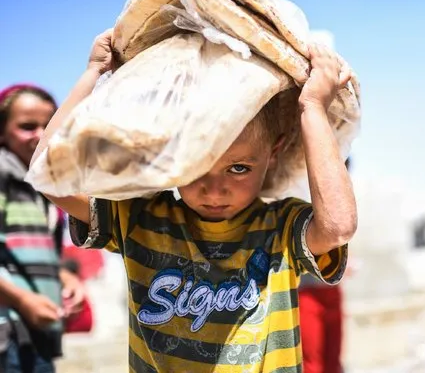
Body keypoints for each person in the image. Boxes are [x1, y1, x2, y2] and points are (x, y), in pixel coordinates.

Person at [34, 29, 356, 372]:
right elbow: (46, 173)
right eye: (197, 166)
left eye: (238, 168)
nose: (214, 190)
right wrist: (93, 74)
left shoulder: (280, 228)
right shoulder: (140, 218)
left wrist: (312, 108)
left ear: (272, 154)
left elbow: (337, 228)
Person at [0, 85, 85, 372]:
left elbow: (26, 253)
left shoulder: (41, 185)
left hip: (34, 333)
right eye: (26, 126)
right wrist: (23, 300)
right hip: (7, 334)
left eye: (48, 125)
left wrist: (65, 279)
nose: (39, 134)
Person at [298, 158, 351, 373]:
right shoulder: (296, 188)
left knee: (333, 362)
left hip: (330, 288)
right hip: (305, 291)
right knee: (313, 364)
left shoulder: (340, 197)